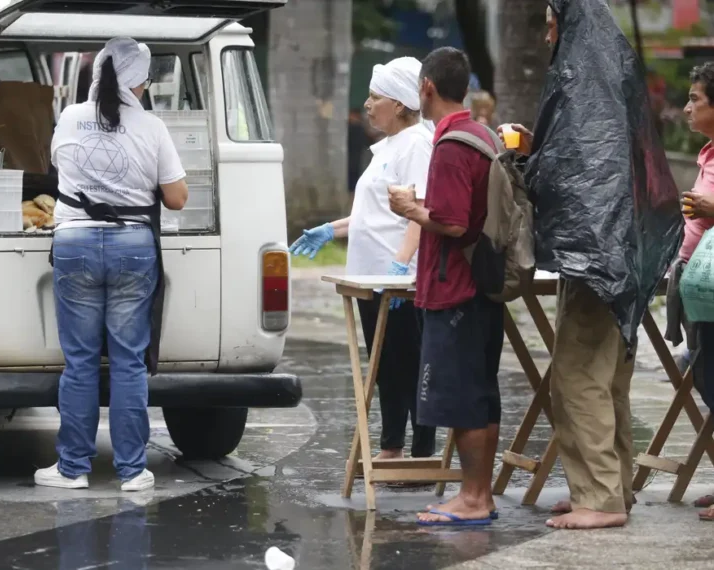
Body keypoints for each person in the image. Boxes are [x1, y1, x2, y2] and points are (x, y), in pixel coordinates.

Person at [497, 1, 681, 530]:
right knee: (606, 379)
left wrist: (529, 164)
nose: (547, 29)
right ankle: (610, 488)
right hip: (617, 258)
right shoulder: (605, 68)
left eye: (551, 18)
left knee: (578, 379)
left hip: (597, 261)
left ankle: (599, 498)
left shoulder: (583, 75)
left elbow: (582, 177)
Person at [34, 37, 188, 492]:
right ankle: (132, 470)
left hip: (75, 241)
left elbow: (55, 164)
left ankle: (73, 468)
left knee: (79, 362)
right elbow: (177, 199)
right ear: (141, 82)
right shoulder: (153, 127)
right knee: (128, 362)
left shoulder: (70, 116)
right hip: (133, 245)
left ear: (98, 72)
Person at [291, 57, 437, 462]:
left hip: (399, 281)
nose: (367, 104)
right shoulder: (386, 148)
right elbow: (372, 215)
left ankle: (422, 451)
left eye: (376, 97)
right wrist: (331, 230)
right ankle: (392, 445)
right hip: (371, 278)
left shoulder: (418, 145)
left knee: (410, 365)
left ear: (402, 104)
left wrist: (400, 266)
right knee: (384, 363)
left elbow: (421, 212)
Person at [389, 47, 504, 526]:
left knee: (462, 395)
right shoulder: (484, 135)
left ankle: (474, 498)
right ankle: (478, 494)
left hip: (456, 286)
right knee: (478, 391)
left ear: (427, 88)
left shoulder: (453, 144)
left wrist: (410, 210)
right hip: (483, 284)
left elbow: (454, 223)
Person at [669, 61, 714, 522]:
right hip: (701, 288)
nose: (686, 108)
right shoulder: (707, 154)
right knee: (705, 378)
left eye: (695, 99)